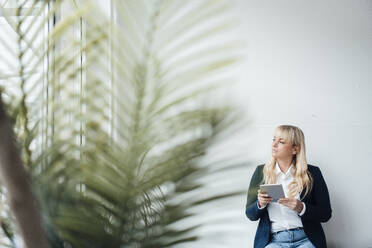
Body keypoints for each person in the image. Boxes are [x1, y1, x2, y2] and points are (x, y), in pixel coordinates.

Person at [245, 125, 332, 248]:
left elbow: (325, 214)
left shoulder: (312, 173)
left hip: (306, 239)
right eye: (273, 140)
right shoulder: (261, 172)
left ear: (295, 149)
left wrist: (301, 207)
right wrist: (260, 204)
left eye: (281, 142)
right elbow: (250, 214)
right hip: (273, 241)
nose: (274, 145)